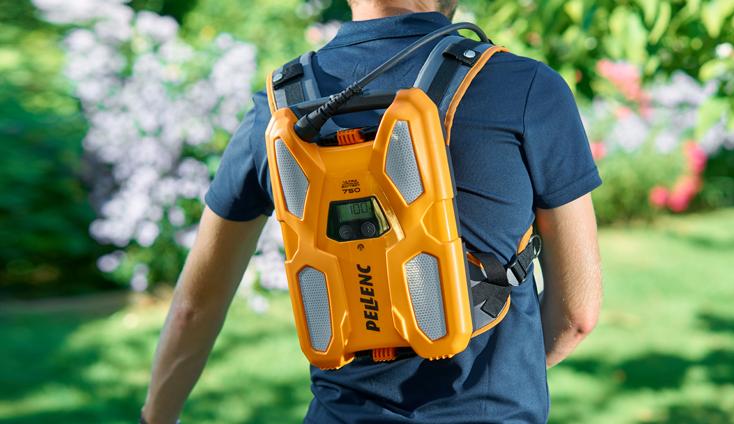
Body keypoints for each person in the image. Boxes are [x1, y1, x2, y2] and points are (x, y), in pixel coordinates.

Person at [141, 1, 603, 423]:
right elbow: (576, 314)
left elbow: (194, 307)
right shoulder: (525, 88)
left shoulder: (278, 110)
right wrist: (509, 374)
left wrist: (155, 418)